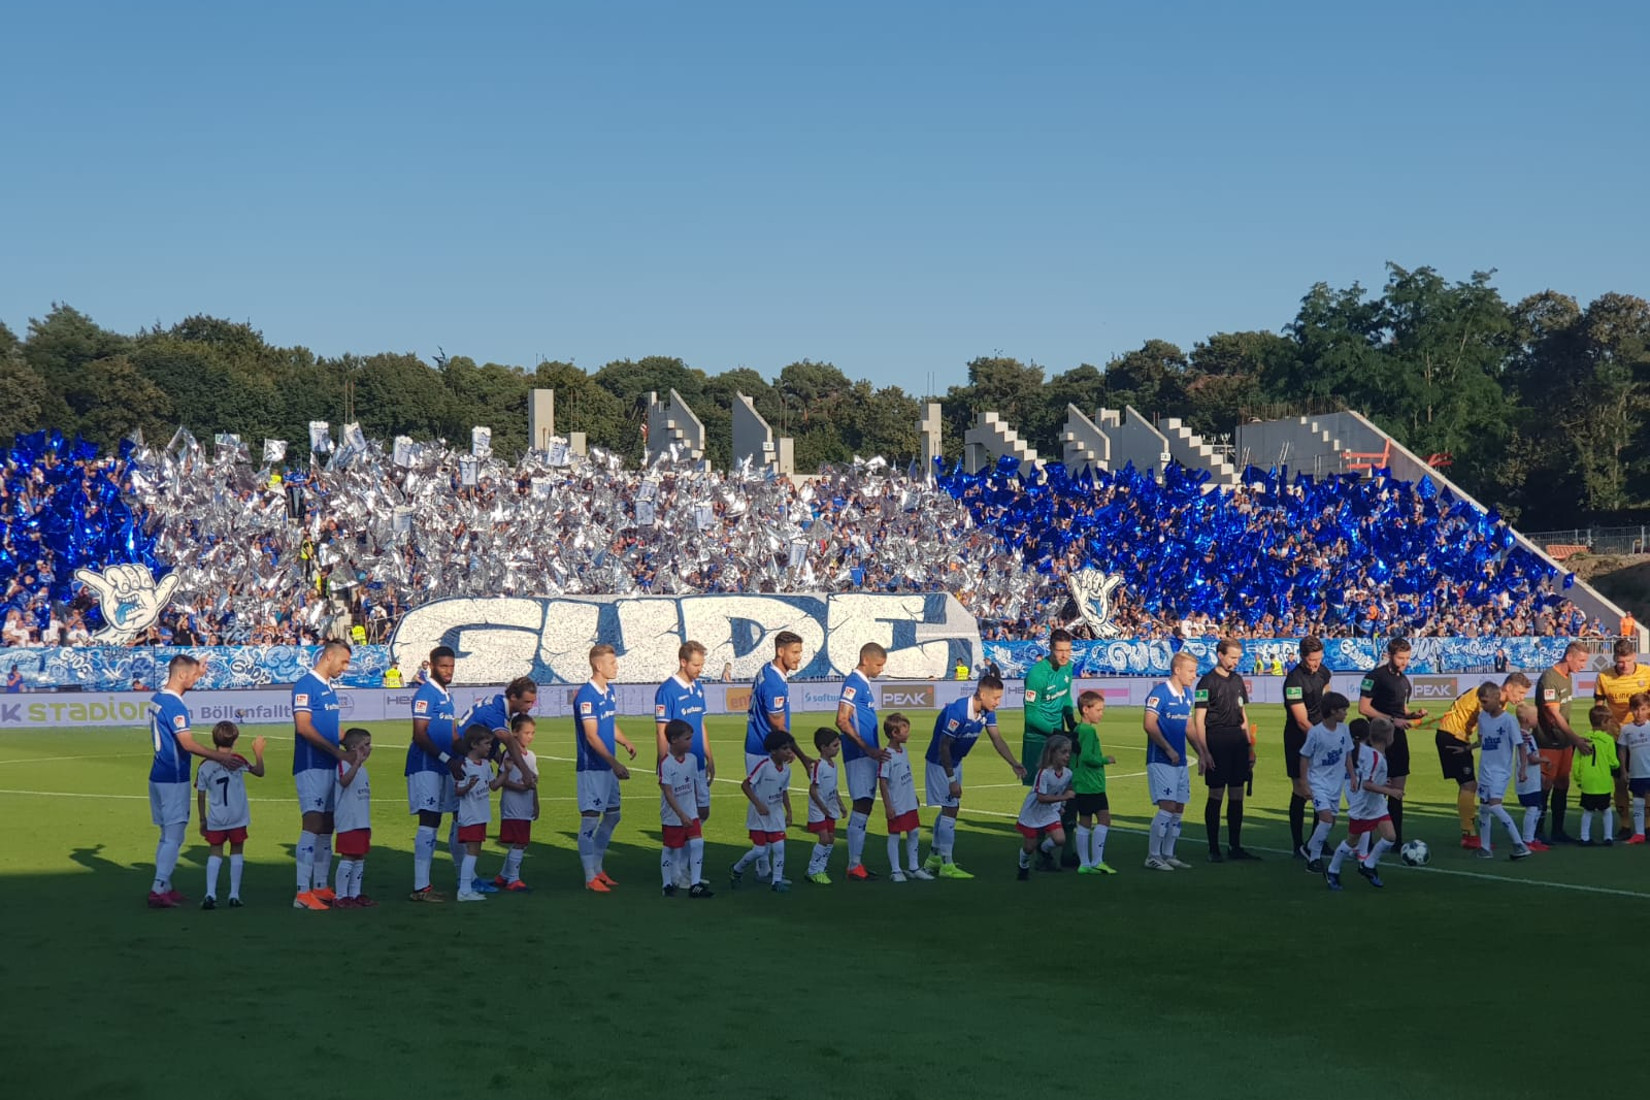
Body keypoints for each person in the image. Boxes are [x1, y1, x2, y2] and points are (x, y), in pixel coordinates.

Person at [922, 674, 1023, 879]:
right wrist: (952, 780)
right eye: (995, 698)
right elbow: (944, 746)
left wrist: (1013, 763)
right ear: (982, 694)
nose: (998, 702)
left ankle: (934, 856)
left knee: (951, 808)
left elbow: (996, 738)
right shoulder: (957, 712)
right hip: (940, 763)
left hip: (956, 761)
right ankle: (947, 865)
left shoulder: (987, 712)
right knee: (950, 808)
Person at [1436, 672, 1532, 850]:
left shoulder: (1498, 704)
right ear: (1508, 688)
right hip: (1452, 736)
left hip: (1459, 739)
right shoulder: (1487, 698)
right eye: (1520, 693)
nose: (1521, 698)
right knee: (1469, 785)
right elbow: (1488, 727)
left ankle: (1469, 831)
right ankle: (1469, 834)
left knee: (1467, 785)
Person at [291, 640, 351, 911]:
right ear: (329, 657)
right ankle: (302, 893)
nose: (345, 668)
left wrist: (353, 744)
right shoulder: (306, 685)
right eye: (344, 662)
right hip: (311, 764)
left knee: (327, 826)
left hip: (329, 765)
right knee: (313, 824)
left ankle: (320, 886)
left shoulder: (329, 688)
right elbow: (303, 727)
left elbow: (332, 729)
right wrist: (337, 752)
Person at [576, 645, 636, 893]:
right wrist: (615, 763)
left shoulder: (608, 692)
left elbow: (608, 723)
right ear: (598, 666)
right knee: (590, 820)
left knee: (613, 815)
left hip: (607, 768)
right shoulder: (586, 696)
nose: (616, 666)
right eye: (612, 663)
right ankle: (590, 876)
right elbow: (591, 736)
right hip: (593, 768)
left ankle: (598, 868)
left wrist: (625, 741)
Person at [1357, 637, 1428, 845]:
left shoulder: (1405, 681)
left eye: (1407, 658)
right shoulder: (1374, 677)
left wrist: (1414, 714)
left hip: (1398, 739)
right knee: (1372, 790)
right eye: (1400, 657)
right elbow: (1363, 708)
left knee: (1397, 791)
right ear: (1389, 655)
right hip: (1377, 739)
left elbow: (1402, 711)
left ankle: (1395, 840)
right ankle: (1365, 840)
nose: (1404, 662)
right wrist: (1391, 720)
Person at [1194, 639, 1258, 861]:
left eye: (1238, 658)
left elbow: (1243, 716)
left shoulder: (1238, 680)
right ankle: (1214, 848)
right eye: (1232, 657)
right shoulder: (1206, 682)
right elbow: (1199, 720)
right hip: (1217, 740)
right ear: (1220, 655)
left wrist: (1249, 746)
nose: (1235, 662)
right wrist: (1204, 751)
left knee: (1237, 793)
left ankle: (1235, 846)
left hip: (1237, 741)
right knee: (1216, 793)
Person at [193, 721, 265, 910]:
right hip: (237, 816)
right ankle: (234, 894)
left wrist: (202, 819)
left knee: (215, 852)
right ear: (236, 740)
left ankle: (210, 893)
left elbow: (200, 794)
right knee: (237, 851)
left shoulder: (205, 765)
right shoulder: (237, 760)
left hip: (217, 817)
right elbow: (259, 772)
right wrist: (258, 751)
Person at [406, 645, 458, 903]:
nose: (448, 671)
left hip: (443, 765)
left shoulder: (447, 695)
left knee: (438, 820)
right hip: (425, 765)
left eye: (451, 666)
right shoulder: (426, 693)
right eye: (443, 666)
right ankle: (420, 887)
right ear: (432, 665)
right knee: (428, 820)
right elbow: (420, 734)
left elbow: (453, 734)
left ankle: (458, 879)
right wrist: (448, 759)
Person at [1022, 629, 1078, 866]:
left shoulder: (1068, 668)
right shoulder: (1036, 674)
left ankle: (1064, 849)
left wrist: (1071, 722)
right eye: (1060, 651)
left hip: (1058, 738)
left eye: (1068, 650)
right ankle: (1038, 853)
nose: (1064, 656)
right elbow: (1031, 715)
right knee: (1042, 795)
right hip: (1039, 742)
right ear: (1051, 649)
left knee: (1067, 790)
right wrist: (1057, 733)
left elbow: (1065, 698)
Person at [1324, 718, 1400, 890]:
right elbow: (1366, 784)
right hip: (1363, 806)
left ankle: (1368, 865)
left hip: (1377, 804)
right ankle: (1333, 870)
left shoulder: (1372, 753)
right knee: (1351, 841)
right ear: (1388, 737)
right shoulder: (1376, 757)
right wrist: (1391, 791)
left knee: (1390, 837)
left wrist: (1382, 783)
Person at [655, 640, 714, 858]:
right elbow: (662, 730)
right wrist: (664, 762)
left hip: (697, 762)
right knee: (679, 817)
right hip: (677, 765)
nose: (700, 670)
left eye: (701, 665)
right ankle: (677, 867)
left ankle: (686, 863)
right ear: (683, 662)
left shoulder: (698, 688)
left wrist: (710, 756)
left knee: (702, 812)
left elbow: (700, 724)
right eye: (696, 665)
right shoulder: (667, 690)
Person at [836, 641, 888, 881]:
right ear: (865, 660)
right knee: (862, 804)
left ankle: (856, 863)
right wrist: (866, 747)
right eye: (878, 665)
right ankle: (853, 865)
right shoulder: (854, 683)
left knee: (865, 805)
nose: (880, 670)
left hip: (866, 755)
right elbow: (842, 720)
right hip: (859, 756)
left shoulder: (863, 684)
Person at [1533, 642, 1593, 843]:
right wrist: (1575, 738)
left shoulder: (1567, 677)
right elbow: (1554, 714)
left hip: (1563, 743)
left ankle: (1558, 831)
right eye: (1581, 660)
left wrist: (1572, 739)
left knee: (1562, 784)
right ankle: (1537, 832)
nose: (1583, 665)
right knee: (1545, 786)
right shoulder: (1550, 678)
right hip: (1547, 743)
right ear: (1569, 657)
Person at [1143, 652, 1199, 871]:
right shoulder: (1160, 693)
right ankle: (1153, 856)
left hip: (1181, 761)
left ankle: (1168, 853)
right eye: (1191, 671)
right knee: (1166, 807)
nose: (1194, 675)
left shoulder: (1187, 695)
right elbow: (1149, 724)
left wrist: (1202, 752)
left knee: (1178, 808)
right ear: (1177, 670)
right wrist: (1167, 748)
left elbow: (1189, 727)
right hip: (1160, 759)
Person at [1282, 637, 1334, 859]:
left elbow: (1327, 698)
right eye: (1312, 660)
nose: (1316, 664)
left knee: (1321, 790)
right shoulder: (1294, 681)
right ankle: (1297, 844)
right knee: (1302, 791)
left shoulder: (1323, 672)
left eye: (1319, 659)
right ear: (1303, 657)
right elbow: (1302, 721)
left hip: (1320, 734)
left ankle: (1318, 841)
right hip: (1299, 740)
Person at [1593, 639, 1649, 838]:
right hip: (1617, 738)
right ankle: (1625, 825)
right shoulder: (1604, 677)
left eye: (1626, 660)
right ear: (1614, 658)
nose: (1623, 665)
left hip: (1643, 736)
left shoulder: (1647, 673)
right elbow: (1598, 708)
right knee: (1620, 782)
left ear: (1634, 656)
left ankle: (1647, 825)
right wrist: (1600, 733)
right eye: (1619, 661)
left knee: (1646, 782)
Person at [1473, 684, 1533, 862]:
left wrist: (1522, 768)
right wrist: (1466, 748)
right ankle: (1485, 848)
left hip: (1500, 770)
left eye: (1485, 701)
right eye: (1481, 702)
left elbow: (1520, 745)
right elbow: (1482, 741)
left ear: (1496, 698)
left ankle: (1519, 844)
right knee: (1484, 807)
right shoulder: (1482, 717)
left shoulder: (1508, 720)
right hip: (1485, 768)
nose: (1482, 705)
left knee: (1494, 805)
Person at [732, 729, 795, 893]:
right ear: (773, 751)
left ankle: (777, 881)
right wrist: (758, 804)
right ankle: (737, 869)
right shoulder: (764, 766)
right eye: (785, 748)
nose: (789, 752)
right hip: (758, 816)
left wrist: (789, 812)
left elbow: (784, 791)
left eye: (790, 748)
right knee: (760, 850)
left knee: (779, 847)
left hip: (775, 815)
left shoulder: (787, 770)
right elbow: (745, 785)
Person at [1299, 693, 1355, 873]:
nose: (1346, 713)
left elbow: (1347, 754)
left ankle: (1309, 847)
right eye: (1343, 710)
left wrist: (1352, 775)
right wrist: (1304, 783)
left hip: (1335, 784)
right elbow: (1305, 757)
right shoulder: (1316, 732)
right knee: (1325, 819)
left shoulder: (1344, 730)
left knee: (1331, 823)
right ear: (1332, 711)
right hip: (1318, 783)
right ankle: (1314, 859)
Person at [745, 630, 811, 777]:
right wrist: (801, 756)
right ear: (781, 651)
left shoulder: (769, 669)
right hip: (765, 752)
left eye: (799, 652)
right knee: (765, 798)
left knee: (775, 797)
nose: (798, 657)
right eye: (794, 652)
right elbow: (778, 726)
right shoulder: (774, 683)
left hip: (763, 749)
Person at [659, 719, 713, 898]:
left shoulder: (692, 759)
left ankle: (695, 884)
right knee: (670, 848)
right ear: (674, 740)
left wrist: (696, 804)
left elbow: (695, 784)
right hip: (673, 815)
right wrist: (680, 814)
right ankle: (667, 884)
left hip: (690, 811)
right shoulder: (666, 764)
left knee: (698, 843)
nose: (691, 742)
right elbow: (668, 792)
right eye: (687, 739)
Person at [453, 726, 505, 902]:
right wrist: (468, 786)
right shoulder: (464, 766)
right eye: (487, 743)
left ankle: (467, 888)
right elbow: (458, 791)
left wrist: (507, 771)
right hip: (470, 815)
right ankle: (465, 890)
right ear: (474, 744)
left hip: (481, 815)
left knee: (475, 851)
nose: (490, 747)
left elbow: (494, 786)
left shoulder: (485, 764)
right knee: (472, 851)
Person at [878, 713, 929, 882]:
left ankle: (914, 867)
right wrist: (888, 806)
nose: (908, 734)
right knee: (895, 834)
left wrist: (912, 795)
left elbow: (906, 774)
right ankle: (895, 870)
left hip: (908, 802)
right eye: (905, 730)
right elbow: (883, 781)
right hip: (897, 803)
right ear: (894, 733)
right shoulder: (887, 756)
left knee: (914, 832)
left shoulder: (904, 751)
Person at [1016, 735, 1074, 881]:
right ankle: (1023, 865)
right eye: (1063, 752)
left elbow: (1063, 790)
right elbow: (1041, 798)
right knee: (1029, 847)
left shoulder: (1068, 774)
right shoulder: (1044, 773)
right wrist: (1063, 798)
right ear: (1052, 753)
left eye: (1069, 752)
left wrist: (1061, 806)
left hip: (1050, 811)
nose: (1067, 756)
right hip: (1033, 812)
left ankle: (1043, 849)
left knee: (1060, 839)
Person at [1070, 690, 1116, 875]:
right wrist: (1106, 760)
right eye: (1098, 709)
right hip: (1091, 783)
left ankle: (1085, 864)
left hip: (1081, 782)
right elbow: (1088, 757)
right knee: (1104, 819)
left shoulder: (1078, 730)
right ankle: (1096, 861)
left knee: (1085, 821)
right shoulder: (1088, 731)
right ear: (1085, 709)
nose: (1101, 713)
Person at [492, 714, 538, 892]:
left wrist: (536, 802)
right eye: (526, 732)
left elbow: (533, 782)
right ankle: (513, 879)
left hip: (526, 805)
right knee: (519, 842)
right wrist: (519, 787)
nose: (530, 736)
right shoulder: (509, 754)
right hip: (513, 805)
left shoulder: (531, 756)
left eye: (532, 733)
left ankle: (503, 876)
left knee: (521, 842)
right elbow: (500, 780)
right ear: (515, 733)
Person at [332, 728, 375, 908]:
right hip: (348, 820)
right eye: (366, 744)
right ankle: (341, 896)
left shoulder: (362, 769)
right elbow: (344, 781)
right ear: (353, 747)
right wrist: (356, 763)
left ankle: (355, 894)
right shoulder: (344, 764)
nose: (370, 748)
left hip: (361, 820)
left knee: (359, 857)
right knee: (348, 857)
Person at [1573, 705, 1621, 846]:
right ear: (1605, 723)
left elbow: (1576, 762)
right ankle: (1608, 837)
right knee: (1606, 810)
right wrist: (1617, 766)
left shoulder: (1583, 740)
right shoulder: (1608, 740)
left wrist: (1578, 778)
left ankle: (1584, 837)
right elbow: (1613, 762)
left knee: (1588, 811)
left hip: (1587, 782)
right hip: (1603, 783)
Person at [805, 728, 844, 885]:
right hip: (818, 809)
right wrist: (822, 807)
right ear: (823, 747)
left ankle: (821, 867)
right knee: (824, 838)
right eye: (834, 745)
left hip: (830, 807)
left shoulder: (833, 765)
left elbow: (834, 788)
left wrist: (841, 805)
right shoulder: (818, 766)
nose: (838, 748)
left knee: (831, 839)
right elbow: (813, 789)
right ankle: (813, 870)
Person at [1513, 702, 1548, 850]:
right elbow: (1531, 758)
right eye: (1536, 716)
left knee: (1536, 807)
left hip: (1531, 778)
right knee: (1532, 808)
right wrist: (1545, 760)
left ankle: (1531, 838)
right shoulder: (1525, 737)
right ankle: (1527, 840)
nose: (1537, 719)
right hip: (1527, 779)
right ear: (1527, 719)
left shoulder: (1523, 735)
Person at [1618, 693, 1650, 843]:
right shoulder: (1626, 729)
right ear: (1631, 710)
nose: (1639, 713)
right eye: (1636, 710)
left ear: (1648, 709)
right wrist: (1624, 770)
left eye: (1643, 709)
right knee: (1638, 802)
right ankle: (1639, 834)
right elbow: (1622, 750)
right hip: (1637, 772)